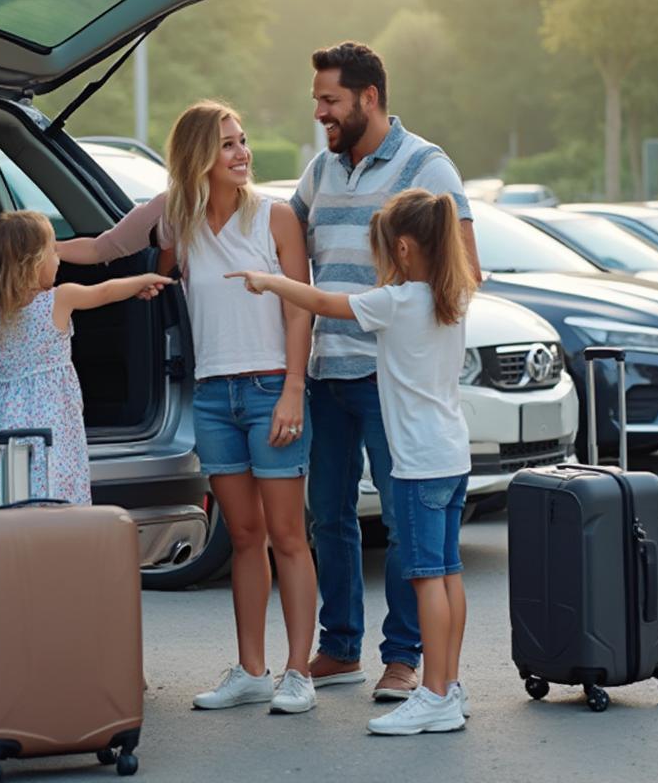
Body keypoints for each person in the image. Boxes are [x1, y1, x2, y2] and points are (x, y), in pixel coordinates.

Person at [55, 101, 318, 715]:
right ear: (199, 154)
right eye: (228, 144)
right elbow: (102, 249)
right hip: (213, 396)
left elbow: (299, 307)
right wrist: (29, 242)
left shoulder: (275, 217)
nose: (242, 153)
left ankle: (298, 672)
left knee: (287, 537)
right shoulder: (175, 218)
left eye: (243, 141)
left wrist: (293, 392)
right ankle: (252, 670)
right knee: (245, 537)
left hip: (268, 389)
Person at [228, 186, 477, 736]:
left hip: (416, 464)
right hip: (452, 456)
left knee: (426, 578)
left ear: (406, 249)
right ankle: (450, 687)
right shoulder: (451, 297)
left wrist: (269, 280)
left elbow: (324, 304)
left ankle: (433, 694)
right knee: (449, 573)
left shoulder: (398, 301)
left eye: (384, 251)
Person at [288, 41, 482, 702]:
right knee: (331, 518)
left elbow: (465, 271)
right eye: (318, 100)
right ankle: (339, 649)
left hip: (386, 379)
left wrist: (405, 317)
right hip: (327, 371)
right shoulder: (318, 172)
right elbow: (283, 244)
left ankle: (403, 659)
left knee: (405, 523)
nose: (320, 112)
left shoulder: (428, 166)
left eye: (330, 100)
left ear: (369, 97)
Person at [0, 209, 171, 506]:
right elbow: (106, 291)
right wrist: (142, 280)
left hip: (5, 427)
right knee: (59, 500)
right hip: (55, 424)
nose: (58, 259)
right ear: (33, 262)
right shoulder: (60, 298)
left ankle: (17, 551)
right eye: (53, 251)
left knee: (15, 504)